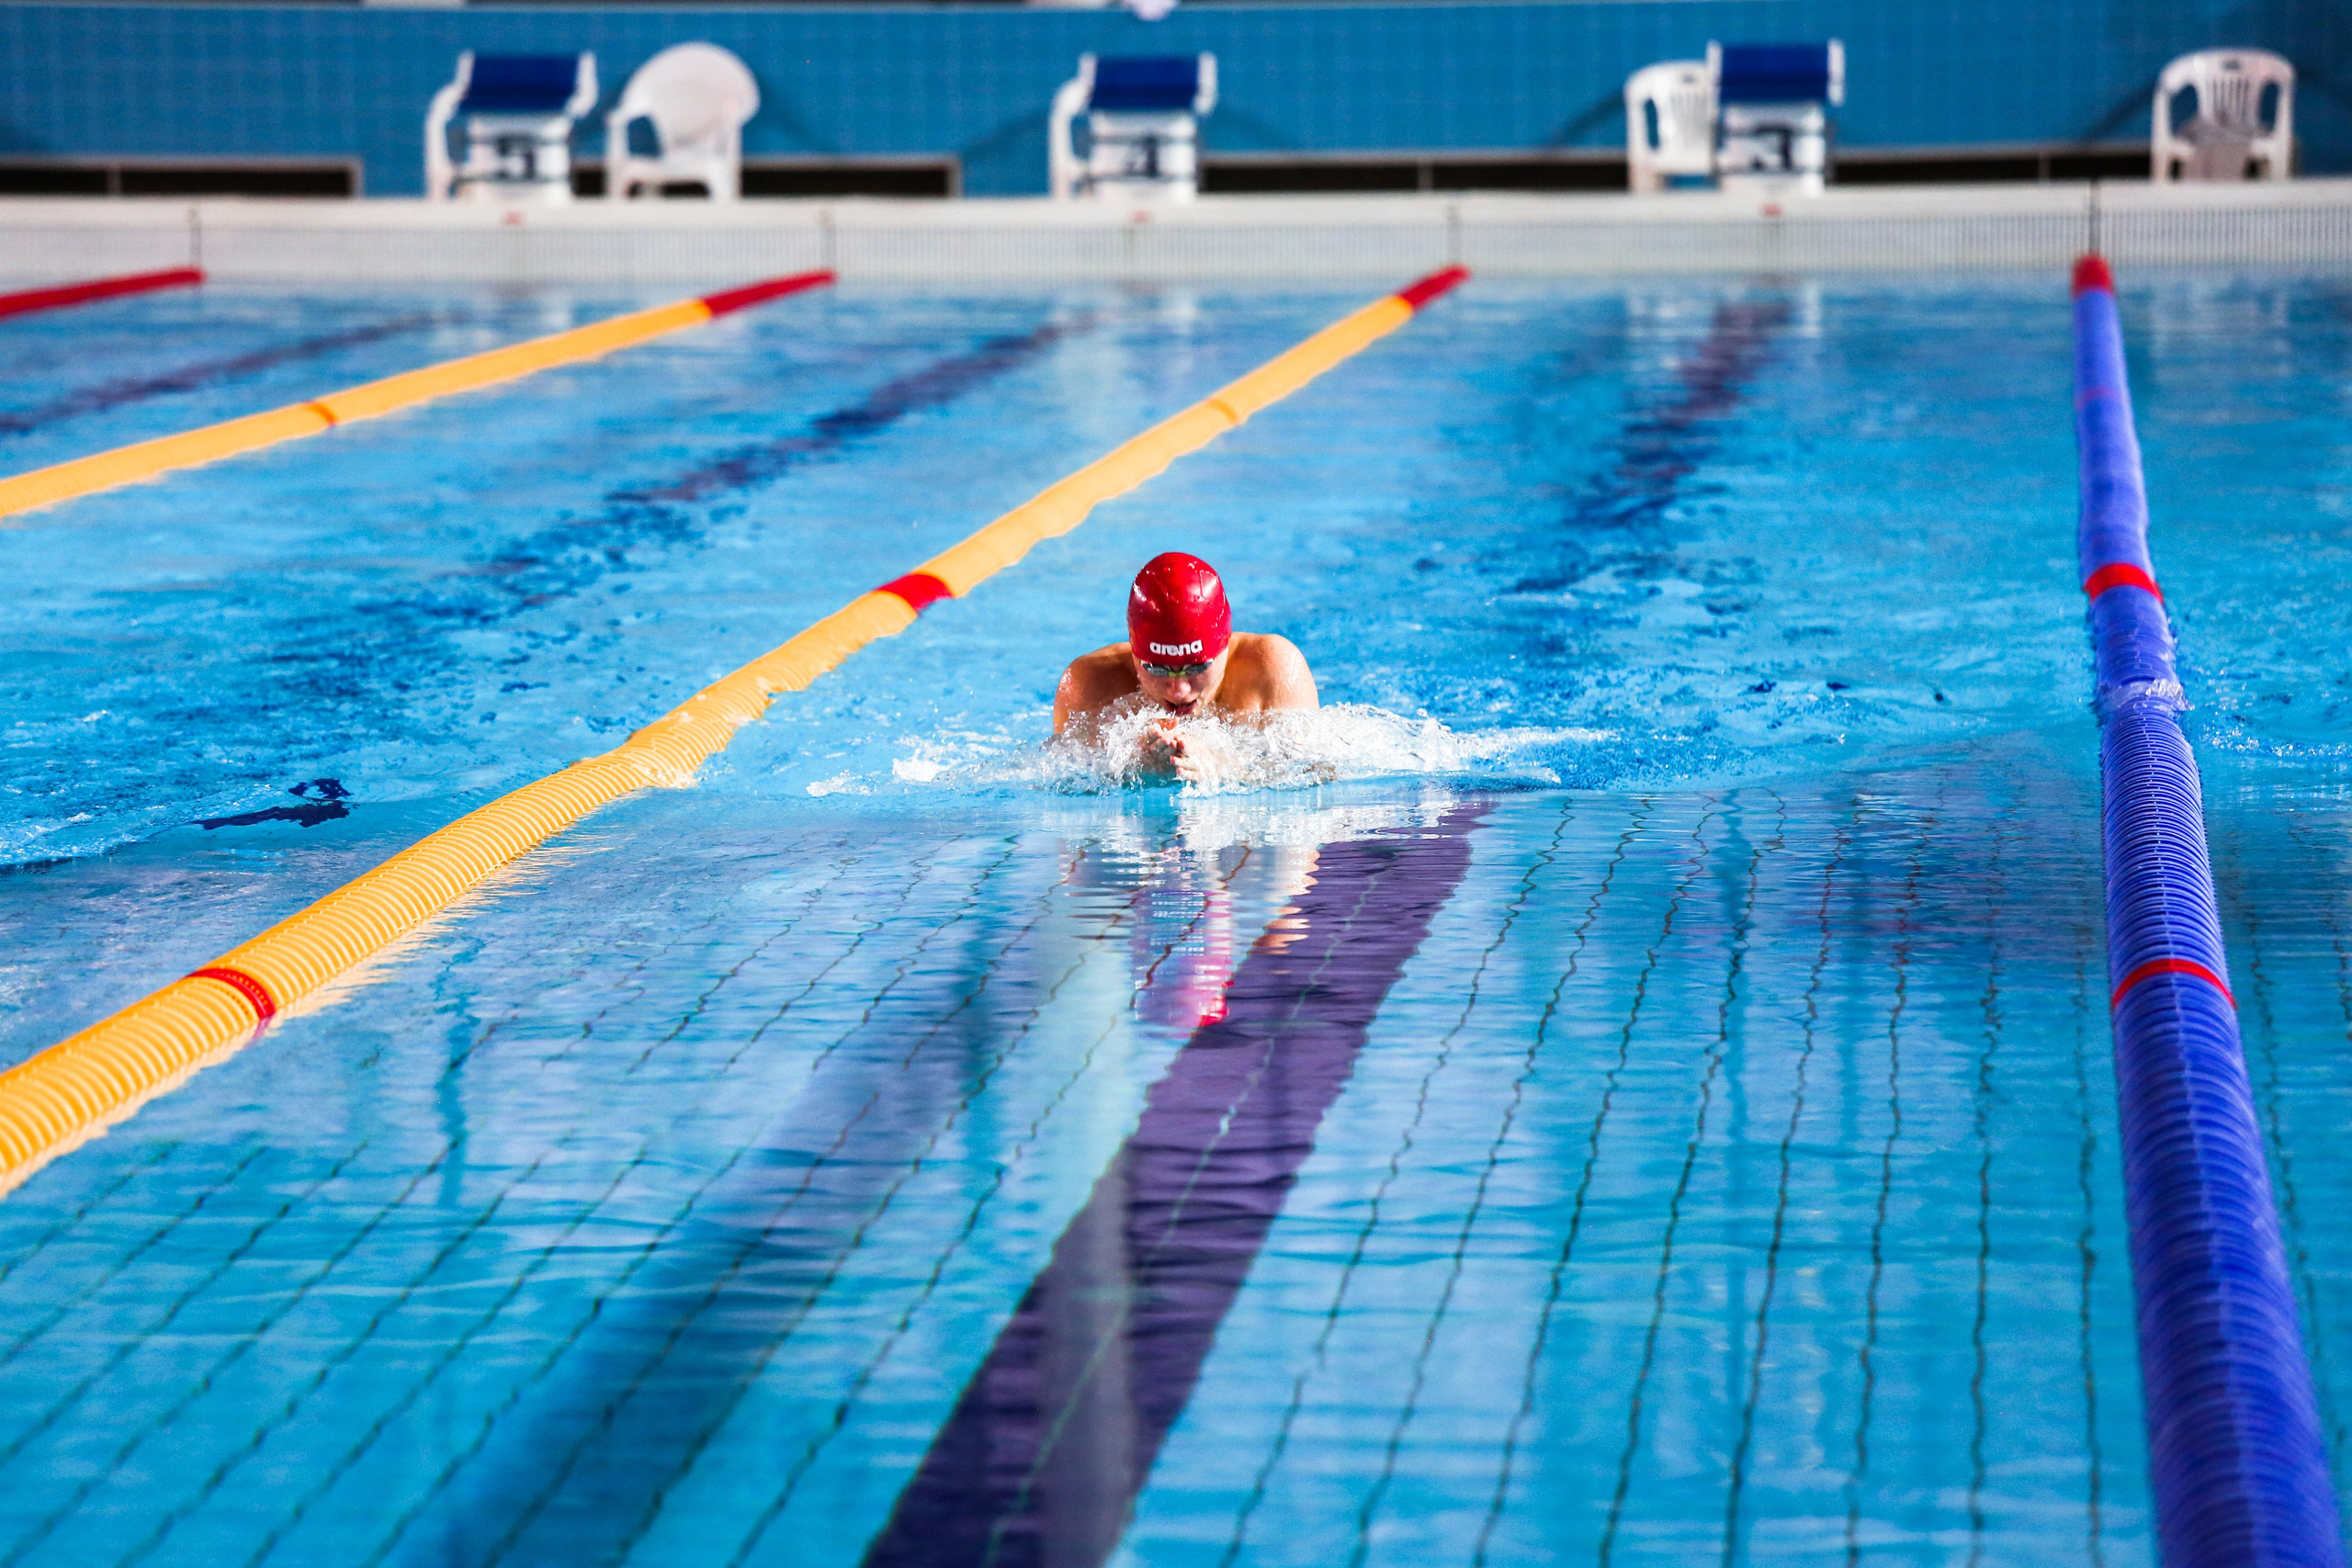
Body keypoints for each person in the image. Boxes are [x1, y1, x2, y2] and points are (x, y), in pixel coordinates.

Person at [1053, 552, 1317, 779]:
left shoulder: (1272, 669)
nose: (1178, 691)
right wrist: (1128, 768)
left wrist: (1222, 766)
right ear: (1134, 653)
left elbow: (1317, 773)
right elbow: (1060, 789)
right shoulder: (1088, 687)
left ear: (1225, 644)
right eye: (1157, 669)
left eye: (1196, 668)